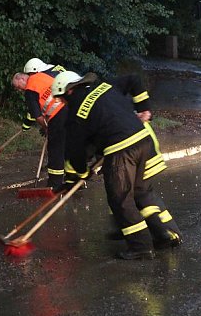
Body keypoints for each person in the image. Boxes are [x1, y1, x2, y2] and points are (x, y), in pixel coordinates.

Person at [52, 70, 182, 261]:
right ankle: (165, 234)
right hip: (143, 141)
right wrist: (144, 108)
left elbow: (75, 149)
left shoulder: (75, 112)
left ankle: (141, 247)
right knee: (141, 192)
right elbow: (133, 78)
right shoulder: (104, 86)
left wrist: (80, 173)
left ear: (69, 91)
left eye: (61, 98)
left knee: (121, 199)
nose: (62, 103)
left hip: (122, 151)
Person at [11, 58, 67, 189]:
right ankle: (75, 179)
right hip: (71, 107)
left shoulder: (29, 90)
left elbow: (37, 116)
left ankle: (55, 185)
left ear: (22, 79)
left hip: (58, 116)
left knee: (55, 150)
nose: (19, 90)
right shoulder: (45, 75)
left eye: (18, 87)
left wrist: (46, 127)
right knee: (68, 146)